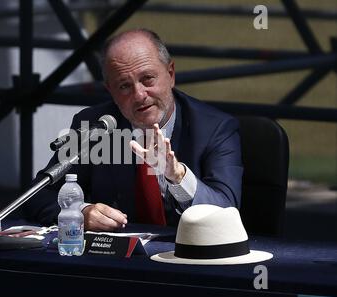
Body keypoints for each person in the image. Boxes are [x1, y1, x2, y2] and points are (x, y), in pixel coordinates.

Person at [25, 28, 243, 231]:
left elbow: (225, 211)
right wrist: (80, 213)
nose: (139, 95)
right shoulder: (94, 125)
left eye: (147, 79)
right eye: (124, 86)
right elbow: (37, 196)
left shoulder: (214, 128)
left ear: (171, 74)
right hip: (117, 262)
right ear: (110, 90)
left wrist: (179, 177)